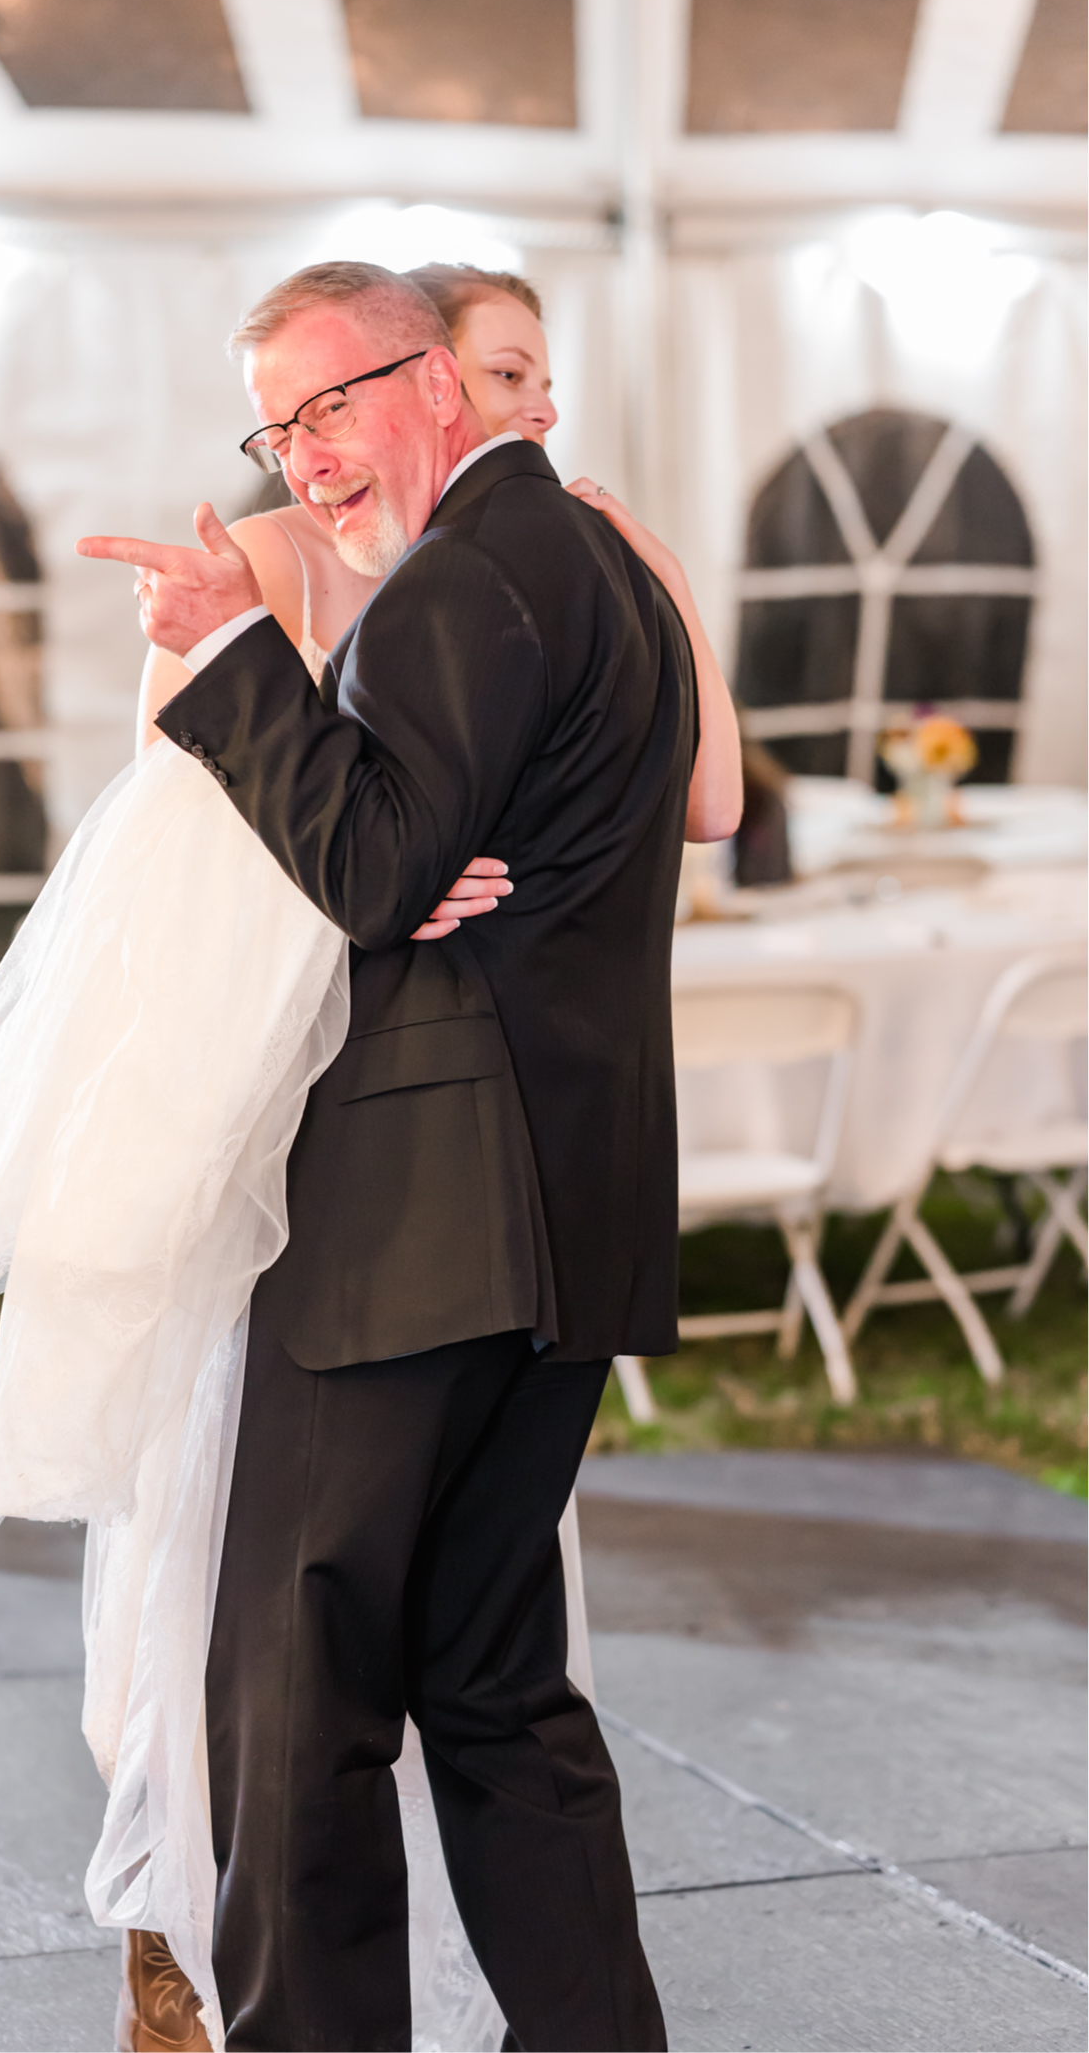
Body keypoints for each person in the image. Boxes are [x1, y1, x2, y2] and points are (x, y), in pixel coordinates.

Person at [70, 259, 740, 2051]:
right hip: (561, 1223)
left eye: (333, 406)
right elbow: (420, 858)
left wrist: (227, 656)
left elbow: (370, 865)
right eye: (276, 428)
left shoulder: (472, 573)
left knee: (295, 1703)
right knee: (496, 1683)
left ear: (438, 384)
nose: (308, 459)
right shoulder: (600, 570)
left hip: (415, 1228)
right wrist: (383, 859)